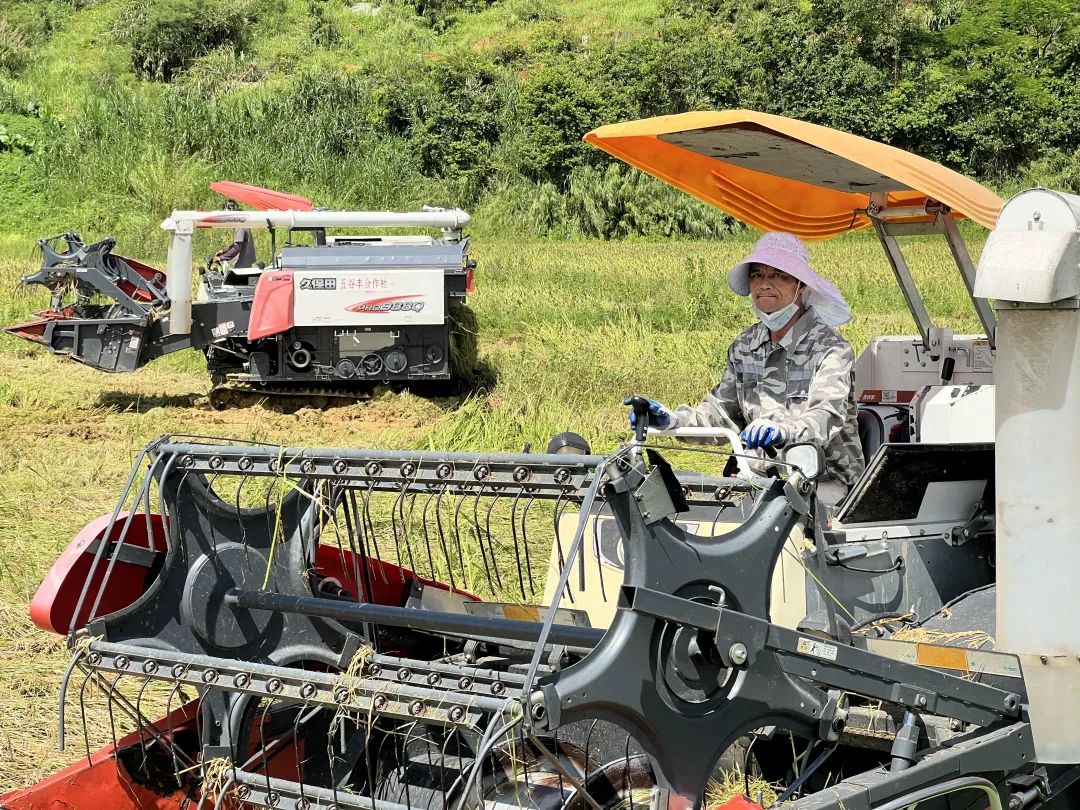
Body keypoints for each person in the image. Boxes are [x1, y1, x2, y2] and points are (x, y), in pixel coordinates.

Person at [627, 231, 865, 505]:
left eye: (778, 275)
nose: (765, 284)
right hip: (757, 479)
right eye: (757, 275)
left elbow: (827, 415)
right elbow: (721, 413)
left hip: (823, 482)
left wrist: (783, 432)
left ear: (801, 287)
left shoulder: (831, 349)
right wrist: (673, 421)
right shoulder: (745, 346)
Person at [212, 199, 257, 268]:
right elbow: (237, 244)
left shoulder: (239, 225)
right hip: (245, 262)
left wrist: (221, 258)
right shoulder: (242, 222)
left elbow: (236, 248)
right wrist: (224, 251)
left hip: (242, 263)